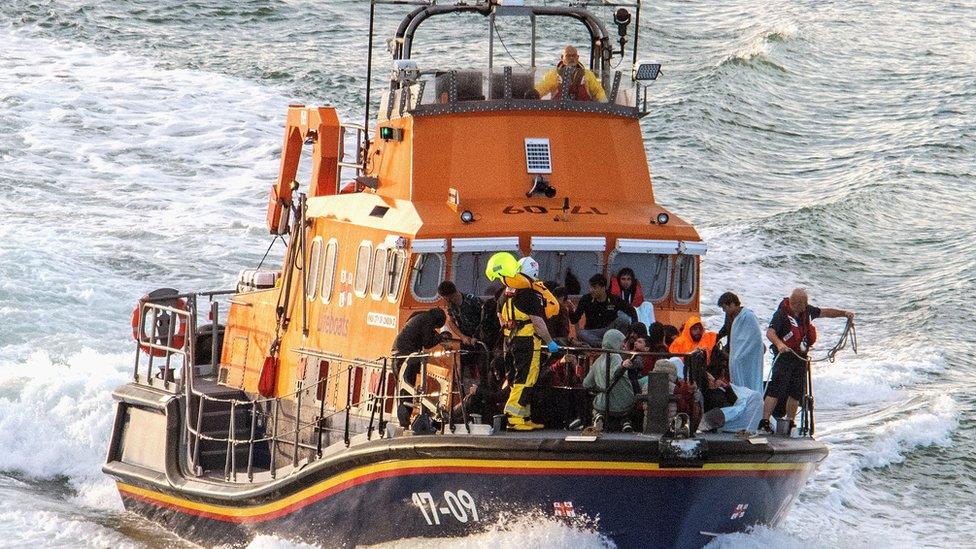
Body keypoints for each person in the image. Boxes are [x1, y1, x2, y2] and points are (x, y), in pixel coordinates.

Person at [759, 288, 854, 434]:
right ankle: (764, 421)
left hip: (801, 358)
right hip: (784, 357)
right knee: (776, 389)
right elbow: (770, 333)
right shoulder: (781, 314)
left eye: (806, 303)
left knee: (796, 391)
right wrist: (780, 344)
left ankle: (790, 422)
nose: (806, 305)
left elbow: (825, 312)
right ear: (796, 303)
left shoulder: (807, 311)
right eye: (804, 303)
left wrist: (844, 314)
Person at [486, 253, 559, 431]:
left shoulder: (504, 293)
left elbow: (500, 318)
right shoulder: (529, 294)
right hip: (527, 341)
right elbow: (538, 322)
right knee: (526, 378)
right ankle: (513, 417)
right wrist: (550, 342)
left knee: (515, 378)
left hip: (509, 341)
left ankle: (524, 416)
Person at [391, 308, 447, 428]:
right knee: (406, 389)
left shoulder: (420, 315)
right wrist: (440, 337)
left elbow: (421, 333)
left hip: (399, 352)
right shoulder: (428, 320)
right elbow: (427, 342)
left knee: (403, 390)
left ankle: (404, 419)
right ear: (436, 321)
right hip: (406, 355)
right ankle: (404, 420)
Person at [583, 329, 636, 432]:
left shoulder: (597, 361)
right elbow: (614, 375)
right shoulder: (616, 356)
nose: (623, 346)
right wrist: (622, 366)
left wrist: (598, 388)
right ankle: (625, 422)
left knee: (597, 405)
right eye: (622, 342)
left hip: (602, 403)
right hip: (622, 402)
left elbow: (586, 383)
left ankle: (598, 416)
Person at [570, 274, 638, 347]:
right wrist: (570, 310)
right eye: (590, 287)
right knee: (581, 333)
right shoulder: (586, 299)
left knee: (624, 319)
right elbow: (574, 320)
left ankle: (620, 343)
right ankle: (605, 345)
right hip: (593, 332)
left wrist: (634, 330)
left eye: (594, 288)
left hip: (610, 330)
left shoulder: (614, 299)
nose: (591, 290)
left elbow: (632, 311)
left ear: (603, 288)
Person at [718, 292, 765, 395]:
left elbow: (754, 339)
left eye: (725, 308)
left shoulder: (748, 316)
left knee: (750, 381)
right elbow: (728, 332)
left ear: (732, 304)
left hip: (749, 357)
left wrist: (738, 355)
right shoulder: (731, 316)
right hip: (736, 354)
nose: (724, 311)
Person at [534, 46, 607, 102]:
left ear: (578, 58)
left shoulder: (588, 74)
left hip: (583, 113)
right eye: (568, 55)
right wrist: (535, 93)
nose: (572, 58)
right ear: (562, 58)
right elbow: (543, 86)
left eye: (574, 55)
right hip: (558, 112)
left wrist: (604, 102)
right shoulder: (554, 74)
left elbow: (598, 92)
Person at [437, 281, 482, 345]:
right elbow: (451, 321)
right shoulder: (450, 305)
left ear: (448, 296)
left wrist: (476, 337)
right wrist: (462, 336)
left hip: (480, 339)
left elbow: (484, 320)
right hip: (466, 340)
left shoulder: (472, 300)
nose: (444, 299)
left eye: (444, 297)